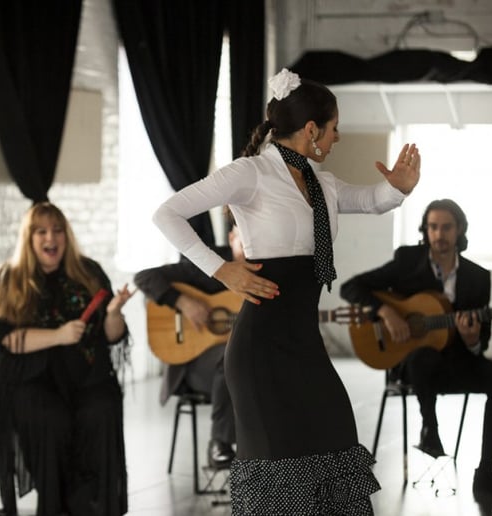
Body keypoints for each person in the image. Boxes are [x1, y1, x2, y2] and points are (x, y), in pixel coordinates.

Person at [152, 68, 420, 514]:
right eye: (334, 128)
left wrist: (399, 189)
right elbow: (167, 214)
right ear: (312, 129)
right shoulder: (251, 173)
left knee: (336, 441)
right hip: (259, 353)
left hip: (305, 347)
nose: (338, 138)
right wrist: (222, 270)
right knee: (279, 476)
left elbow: (371, 200)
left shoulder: (322, 183)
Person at [339, 198, 492, 503]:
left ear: (459, 230)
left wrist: (471, 339)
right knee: (424, 356)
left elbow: (481, 343)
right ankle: (430, 430)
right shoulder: (408, 261)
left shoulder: (478, 277)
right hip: (414, 367)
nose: (439, 234)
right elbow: (351, 287)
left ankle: (486, 473)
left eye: (446, 227)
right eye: (433, 227)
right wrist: (386, 311)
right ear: (425, 230)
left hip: (458, 364)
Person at [0, 201, 132, 516]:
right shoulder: (9, 278)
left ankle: (96, 506)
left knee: (102, 408)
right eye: (42, 232)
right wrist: (58, 336)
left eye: (58, 230)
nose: (51, 238)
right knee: (51, 419)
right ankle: (57, 506)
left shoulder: (88, 273)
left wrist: (114, 314)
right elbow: (4, 339)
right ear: (29, 238)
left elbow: (112, 336)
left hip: (86, 376)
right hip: (29, 379)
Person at [134, 218, 243, 469]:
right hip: (191, 366)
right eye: (243, 239)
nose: (250, 247)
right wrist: (183, 302)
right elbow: (144, 277)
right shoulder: (210, 263)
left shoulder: (269, 272)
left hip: (246, 370)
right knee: (233, 356)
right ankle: (220, 442)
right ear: (231, 239)